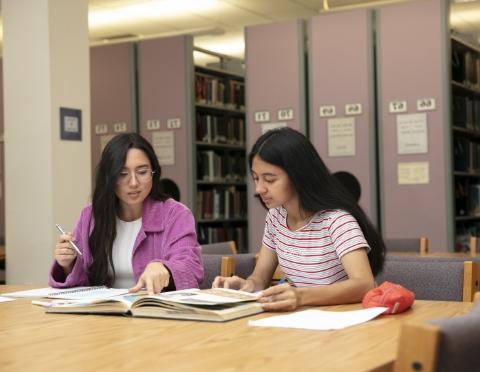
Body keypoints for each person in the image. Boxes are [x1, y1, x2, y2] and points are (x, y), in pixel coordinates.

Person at [213, 127, 385, 311]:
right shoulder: (276, 217)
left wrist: (301, 296)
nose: (259, 189)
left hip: (343, 321)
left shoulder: (337, 221)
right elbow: (261, 277)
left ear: (298, 176)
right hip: (302, 321)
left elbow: (364, 284)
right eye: (256, 178)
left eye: (269, 180)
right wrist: (247, 286)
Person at [49, 133, 203, 294]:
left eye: (142, 172)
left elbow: (190, 267)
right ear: (109, 177)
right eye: (123, 174)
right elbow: (83, 282)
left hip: (154, 313)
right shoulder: (91, 216)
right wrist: (68, 264)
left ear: (154, 172)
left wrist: (165, 268)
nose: (134, 182)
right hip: (102, 313)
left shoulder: (175, 214)